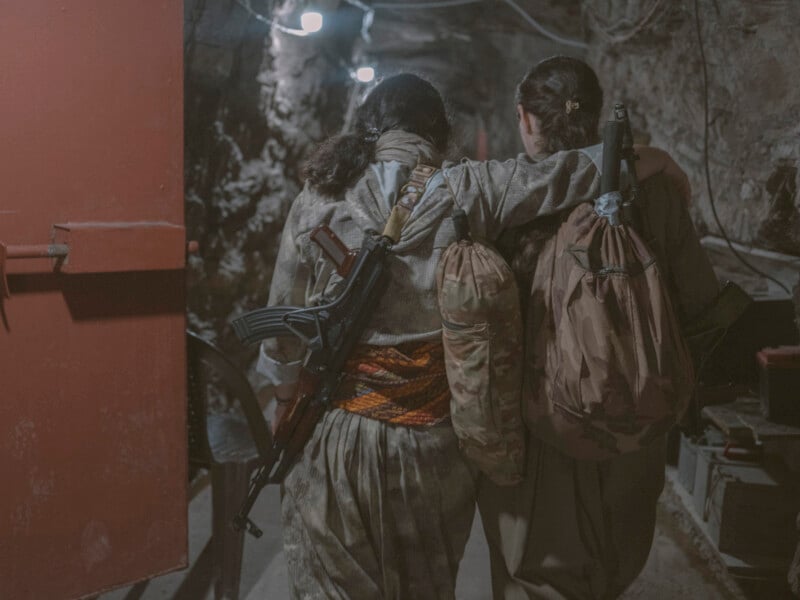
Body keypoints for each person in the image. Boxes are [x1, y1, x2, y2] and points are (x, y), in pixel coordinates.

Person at [253, 72, 690, 599]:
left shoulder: (316, 199)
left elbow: (283, 328)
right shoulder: (469, 187)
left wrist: (283, 399)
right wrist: (649, 158)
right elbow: (566, 174)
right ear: (438, 132)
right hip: (432, 450)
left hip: (337, 437)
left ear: (365, 127)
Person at [479, 56, 722, 600]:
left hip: (542, 426)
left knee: (536, 571)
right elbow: (700, 300)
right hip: (632, 416)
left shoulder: (510, 195)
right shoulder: (653, 192)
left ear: (525, 119)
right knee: (610, 566)